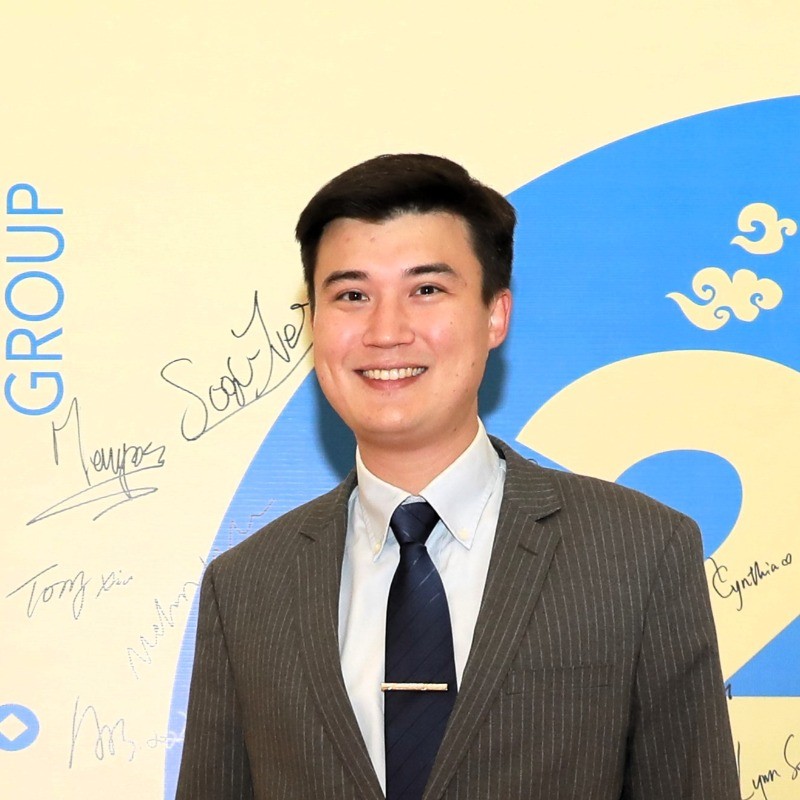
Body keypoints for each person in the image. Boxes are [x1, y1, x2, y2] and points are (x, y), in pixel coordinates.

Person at [176, 154, 739, 799]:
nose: (386, 332)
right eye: (352, 295)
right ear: (314, 322)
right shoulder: (246, 587)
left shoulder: (639, 553)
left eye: (426, 290)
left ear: (496, 314)